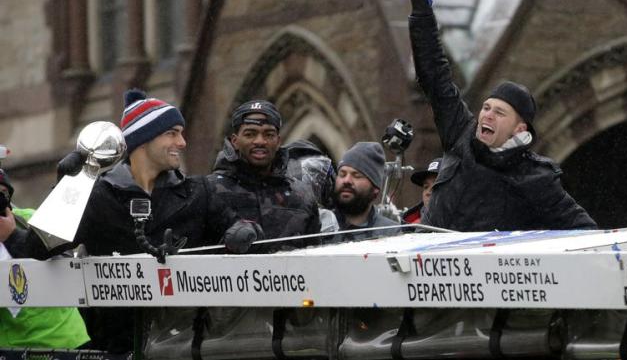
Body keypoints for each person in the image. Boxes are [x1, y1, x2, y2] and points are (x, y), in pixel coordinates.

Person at [0, 89, 219, 353]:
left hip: (190, 344)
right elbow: (38, 248)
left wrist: (243, 230)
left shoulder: (199, 192)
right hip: (117, 345)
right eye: (172, 133)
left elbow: (237, 229)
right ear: (144, 140)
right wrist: (66, 189)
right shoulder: (99, 196)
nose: (182, 142)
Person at [403, 0, 597, 232]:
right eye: (486, 108)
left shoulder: (535, 177)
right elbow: (434, 74)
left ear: (519, 129)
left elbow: (584, 231)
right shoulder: (460, 134)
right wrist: (422, 7)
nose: (488, 115)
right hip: (429, 255)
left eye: (499, 112)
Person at [208, 100, 321, 254]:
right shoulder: (208, 192)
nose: (260, 141)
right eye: (250, 134)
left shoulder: (302, 197)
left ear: (278, 141)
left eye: (269, 134)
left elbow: (315, 257)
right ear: (235, 141)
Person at [0, 170, 90, 349]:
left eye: (3, 194)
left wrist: (13, 236)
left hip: (66, 339)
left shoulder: (30, 219)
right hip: (13, 346)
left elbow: (67, 268)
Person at [331, 142, 402, 242]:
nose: (346, 180)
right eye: (342, 174)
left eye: (356, 176)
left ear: (375, 188)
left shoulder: (390, 233)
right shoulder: (321, 226)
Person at [402, 157, 441, 224]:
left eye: (436, 185)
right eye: (426, 187)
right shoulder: (411, 225)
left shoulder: (461, 226)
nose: (428, 192)